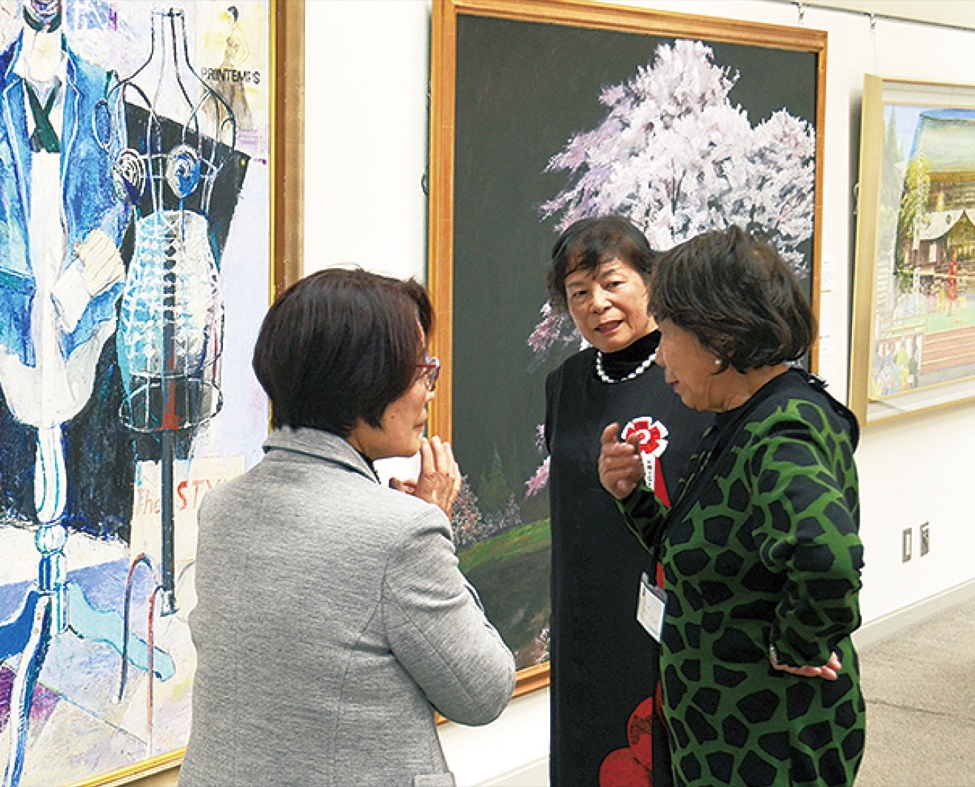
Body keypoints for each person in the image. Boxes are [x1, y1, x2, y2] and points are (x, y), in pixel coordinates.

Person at [181, 267, 516, 787]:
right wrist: (434, 522)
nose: (428, 392)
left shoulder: (223, 509)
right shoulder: (403, 534)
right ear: (363, 381)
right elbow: (483, 692)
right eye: (420, 370)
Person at [598, 226, 865, 786]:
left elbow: (828, 555)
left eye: (668, 334)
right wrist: (633, 497)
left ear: (719, 340)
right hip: (723, 737)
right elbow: (707, 554)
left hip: (767, 743)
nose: (660, 356)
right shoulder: (740, 419)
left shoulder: (784, 430)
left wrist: (799, 644)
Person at [0, 0, 132, 534]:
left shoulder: (101, 87)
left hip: (78, 291)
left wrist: (91, 263)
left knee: (64, 413)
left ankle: (56, 546)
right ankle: (46, 545)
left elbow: (118, 196)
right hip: (14, 297)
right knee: (36, 417)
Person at [544, 216, 712, 786]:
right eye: (579, 292)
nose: (597, 304)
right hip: (582, 606)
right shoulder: (565, 383)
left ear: (650, 280)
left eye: (613, 283)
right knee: (585, 745)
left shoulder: (688, 374)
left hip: (667, 606)